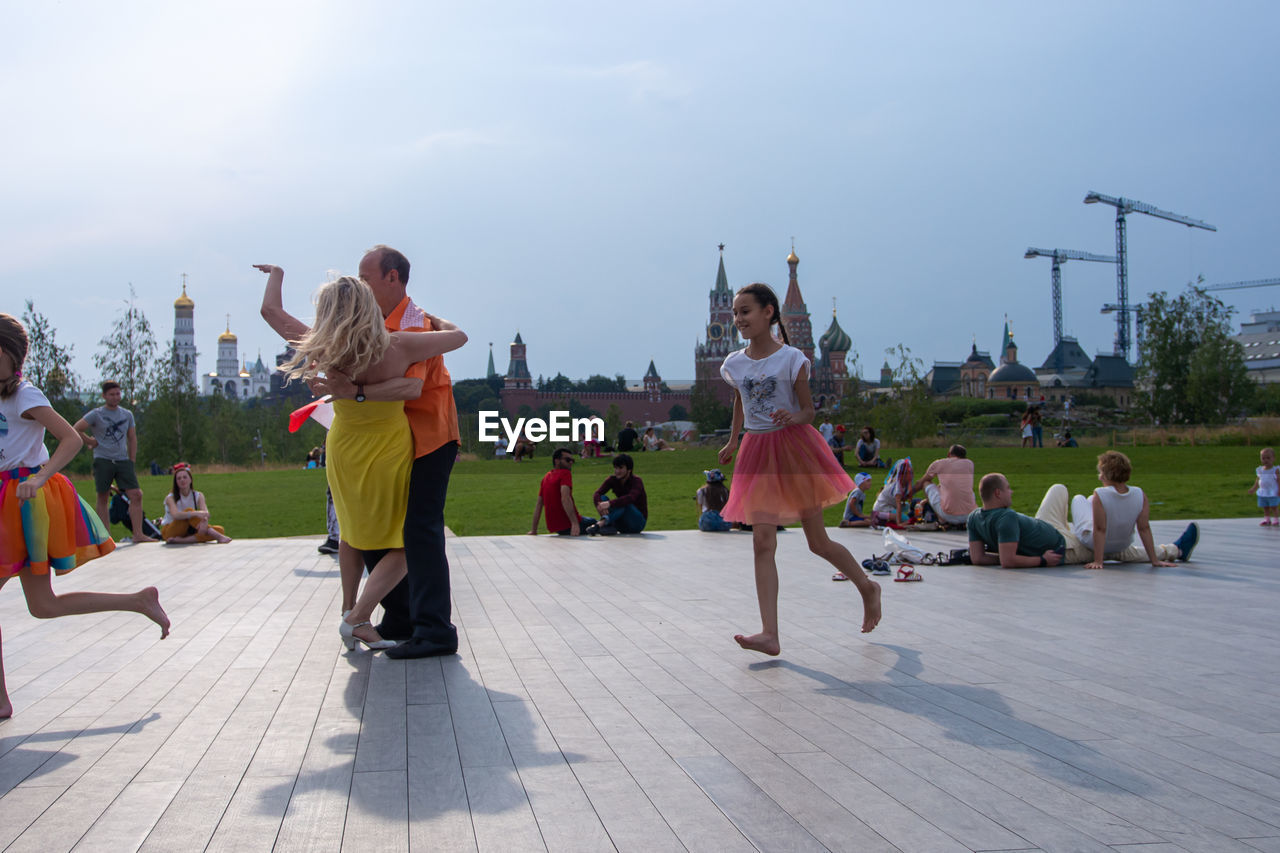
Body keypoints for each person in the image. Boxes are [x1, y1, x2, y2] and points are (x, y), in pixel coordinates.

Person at [259, 264, 466, 654]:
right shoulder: (398, 344)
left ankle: (352, 609)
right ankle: (355, 619)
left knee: (353, 533)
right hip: (389, 449)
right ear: (368, 305)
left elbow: (270, 311)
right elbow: (458, 338)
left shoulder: (321, 346)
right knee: (407, 542)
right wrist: (436, 320)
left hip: (343, 447)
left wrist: (278, 274)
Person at [0, 313, 169, 719]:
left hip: (26, 501)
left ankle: (1, 700)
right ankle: (137, 600)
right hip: (7, 495)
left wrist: (39, 478)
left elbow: (72, 438)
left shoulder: (26, 395)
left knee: (42, 603)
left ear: (10, 355)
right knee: (42, 605)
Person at [717, 283, 881, 656]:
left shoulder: (792, 359)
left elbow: (809, 411)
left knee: (817, 542)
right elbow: (741, 402)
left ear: (768, 312)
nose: (739, 319)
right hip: (756, 451)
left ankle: (867, 587)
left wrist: (792, 416)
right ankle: (769, 634)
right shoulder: (734, 363)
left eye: (746, 312)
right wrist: (733, 439)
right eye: (736, 314)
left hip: (794, 450)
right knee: (762, 541)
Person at [968, 472, 1198, 569]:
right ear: (997, 494)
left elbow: (977, 558)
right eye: (1008, 489)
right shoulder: (1006, 517)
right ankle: (1174, 550)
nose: (1012, 492)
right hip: (1064, 548)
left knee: (1059, 489)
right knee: (1114, 549)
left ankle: (1078, 528)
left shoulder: (975, 516)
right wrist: (1040, 560)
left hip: (1050, 527)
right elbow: (1007, 561)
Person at [1070, 451, 1195, 568]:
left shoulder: (1100, 494)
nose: (1099, 478)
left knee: (1079, 499)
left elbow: (1100, 529)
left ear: (1107, 474)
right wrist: (1154, 561)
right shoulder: (1139, 494)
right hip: (1123, 544)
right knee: (1091, 500)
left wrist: (1098, 561)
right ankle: (1171, 551)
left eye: (1101, 473)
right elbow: (1144, 528)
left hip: (1092, 543)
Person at [73, 381, 157, 542]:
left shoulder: (127, 415)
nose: (115, 397)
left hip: (122, 460)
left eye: (118, 393)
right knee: (103, 496)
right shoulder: (96, 414)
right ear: (104, 396)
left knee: (136, 494)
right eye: (111, 394)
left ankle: (138, 534)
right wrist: (90, 441)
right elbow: (76, 428)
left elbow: (132, 438)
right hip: (103, 459)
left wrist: (131, 460)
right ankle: (106, 537)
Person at [160, 464, 232, 544]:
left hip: (188, 530)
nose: (182, 480)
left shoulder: (198, 495)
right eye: (179, 478)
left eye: (185, 477)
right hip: (171, 530)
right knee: (189, 511)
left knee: (220, 530)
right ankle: (217, 536)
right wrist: (195, 513)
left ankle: (182, 540)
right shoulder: (170, 498)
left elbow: (206, 513)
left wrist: (204, 522)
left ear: (190, 480)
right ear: (176, 482)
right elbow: (176, 515)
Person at [529, 448, 593, 536]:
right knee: (601, 523)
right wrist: (574, 524)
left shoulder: (546, 477)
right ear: (557, 461)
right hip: (568, 525)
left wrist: (534, 530)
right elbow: (565, 498)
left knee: (590, 520)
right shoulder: (565, 473)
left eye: (572, 460)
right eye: (567, 460)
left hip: (556, 528)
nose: (571, 462)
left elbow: (539, 504)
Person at [910, 444, 976, 528]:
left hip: (947, 514)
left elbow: (920, 483)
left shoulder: (940, 463)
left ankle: (942, 521)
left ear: (949, 454)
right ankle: (962, 523)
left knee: (926, 483)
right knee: (966, 490)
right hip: (968, 515)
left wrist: (907, 495)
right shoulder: (970, 464)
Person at [586, 454, 648, 535]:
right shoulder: (612, 479)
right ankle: (610, 525)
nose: (617, 471)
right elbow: (597, 493)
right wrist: (599, 505)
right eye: (615, 468)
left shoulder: (637, 481)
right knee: (602, 498)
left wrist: (609, 503)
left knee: (625, 503)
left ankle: (600, 524)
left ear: (629, 469)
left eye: (621, 468)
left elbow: (631, 498)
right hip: (622, 522)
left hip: (636, 523)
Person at [870, 457, 913, 527]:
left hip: (891, 504)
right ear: (901, 475)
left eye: (910, 472)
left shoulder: (905, 484)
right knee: (906, 519)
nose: (910, 475)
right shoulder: (897, 487)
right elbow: (898, 505)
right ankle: (879, 515)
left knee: (908, 506)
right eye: (907, 473)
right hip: (883, 506)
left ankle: (891, 516)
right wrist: (899, 523)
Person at [1247, 447, 1279, 526]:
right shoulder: (1260, 470)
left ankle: (1276, 519)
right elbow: (1258, 480)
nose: (1266, 460)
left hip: (1273, 491)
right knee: (1265, 506)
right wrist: (1253, 488)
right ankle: (1267, 519)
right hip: (1263, 491)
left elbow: (1279, 480)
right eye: (1263, 458)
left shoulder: (1275, 470)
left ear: (1273, 459)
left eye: (1268, 458)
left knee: (1274, 506)